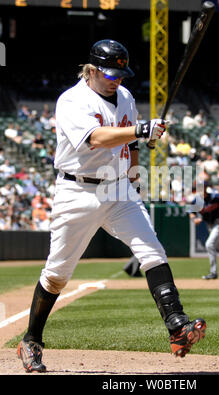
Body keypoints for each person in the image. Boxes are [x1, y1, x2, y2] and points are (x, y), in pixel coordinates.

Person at [17, 39, 206, 373]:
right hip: (77, 191)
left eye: (120, 73)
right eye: (109, 73)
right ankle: (31, 340)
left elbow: (130, 141)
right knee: (58, 273)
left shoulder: (126, 96)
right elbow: (96, 138)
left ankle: (177, 326)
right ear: (91, 70)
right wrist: (140, 128)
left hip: (118, 190)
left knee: (152, 251)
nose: (116, 79)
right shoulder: (73, 100)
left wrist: (134, 167)